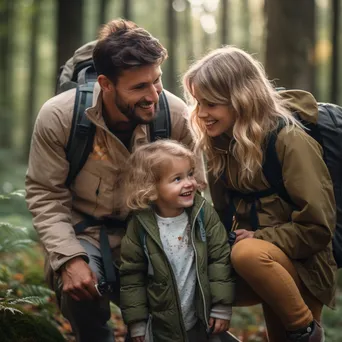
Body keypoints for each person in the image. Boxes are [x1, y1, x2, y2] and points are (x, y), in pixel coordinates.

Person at [25, 19, 206, 342]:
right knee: (82, 290)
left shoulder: (175, 115)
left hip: (153, 230)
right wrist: (70, 259)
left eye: (157, 81)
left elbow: (197, 192)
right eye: (139, 87)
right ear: (106, 84)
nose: (153, 95)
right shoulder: (59, 116)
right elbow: (45, 194)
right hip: (86, 232)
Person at [182, 46, 337, 342]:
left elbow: (318, 228)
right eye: (198, 103)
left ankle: (306, 330)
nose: (201, 114)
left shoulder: (290, 141)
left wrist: (259, 238)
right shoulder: (220, 145)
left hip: (302, 264)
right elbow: (223, 216)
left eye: (211, 104)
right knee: (189, 281)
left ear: (241, 99)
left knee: (247, 254)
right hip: (255, 262)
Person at [119, 140, 235, 342]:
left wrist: (222, 307)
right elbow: (132, 276)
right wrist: (137, 323)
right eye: (177, 179)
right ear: (151, 188)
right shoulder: (140, 226)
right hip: (161, 326)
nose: (189, 183)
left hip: (201, 320)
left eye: (190, 174)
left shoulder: (202, 214)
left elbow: (219, 259)